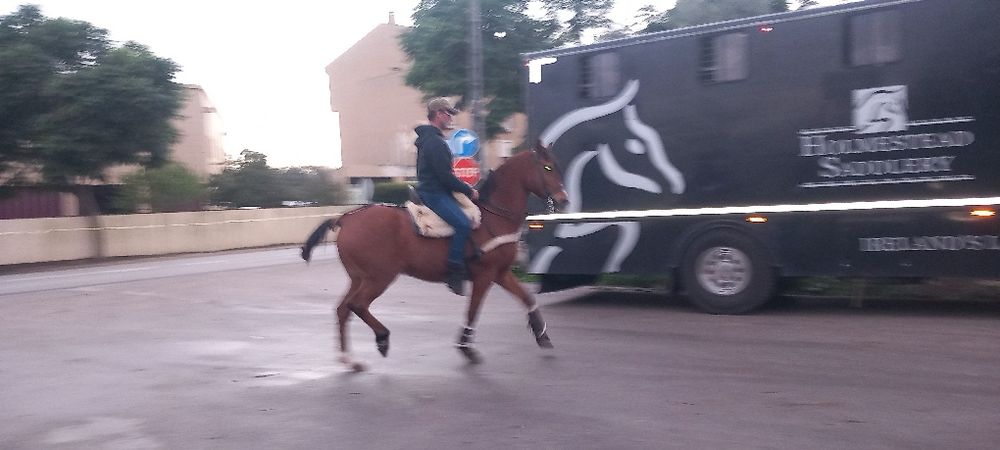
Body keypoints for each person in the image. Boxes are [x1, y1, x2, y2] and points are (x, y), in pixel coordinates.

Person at [414, 97, 479, 296]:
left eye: (451, 114)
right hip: (435, 193)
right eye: (448, 113)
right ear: (438, 114)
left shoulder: (433, 140)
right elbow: (446, 178)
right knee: (463, 223)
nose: (450, 117)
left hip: (434, 189)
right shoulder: (435, 142)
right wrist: (469, 190)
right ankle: (454, 270)